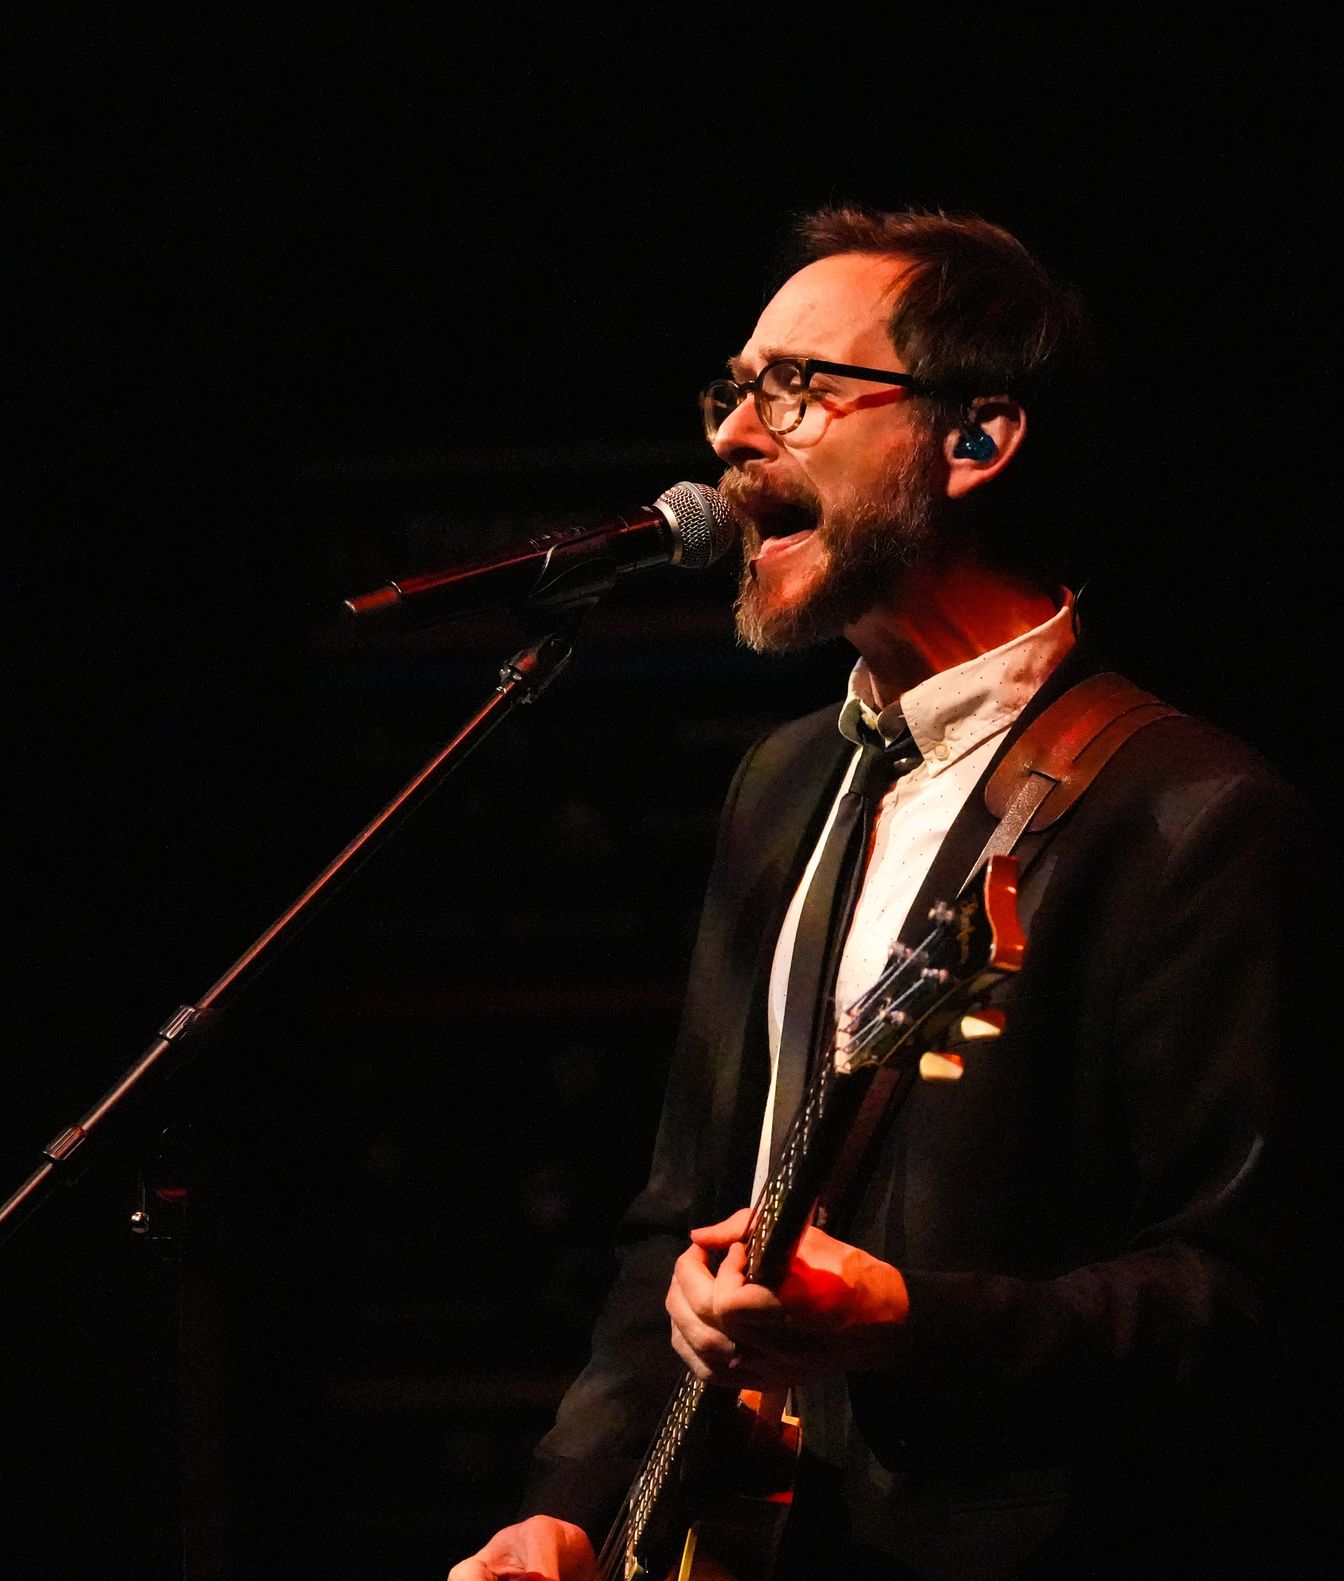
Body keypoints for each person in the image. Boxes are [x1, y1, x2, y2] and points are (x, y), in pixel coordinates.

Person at [451, 210, 1314, 1578]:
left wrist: (916, 1323)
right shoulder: (783, 783)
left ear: (976, 439)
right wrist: (573, 1500)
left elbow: (1258, 1297)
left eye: (795, 388)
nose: (734, 437)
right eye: (730, 391)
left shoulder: (1190, 815)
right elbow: (685, 1209)